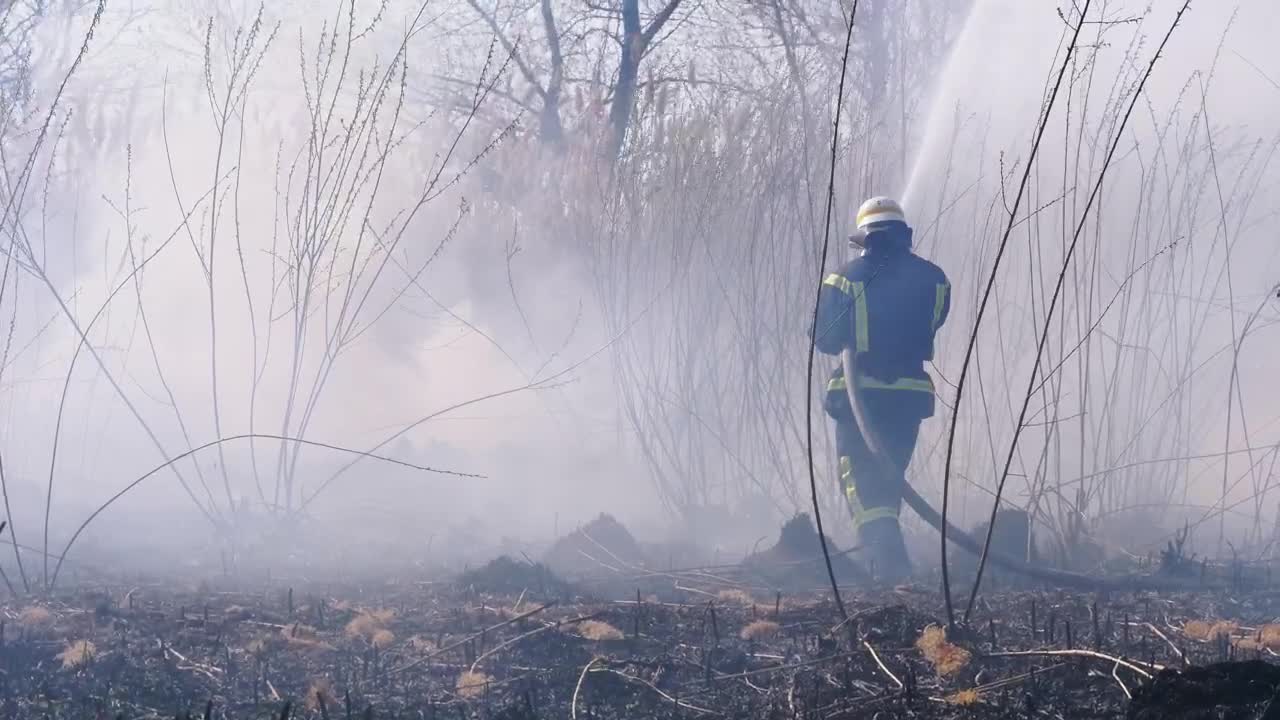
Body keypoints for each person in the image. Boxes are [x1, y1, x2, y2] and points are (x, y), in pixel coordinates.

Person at [811, 196, 951, 583]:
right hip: (908, 397)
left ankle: (891, 570)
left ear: (864, 237)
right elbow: (933, 323)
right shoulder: (935, 278)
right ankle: (889, 565)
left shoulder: (844, 277)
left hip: (861, 398)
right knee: (888, 479)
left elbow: (823, 337)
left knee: (858, 481)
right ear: (903, 234)